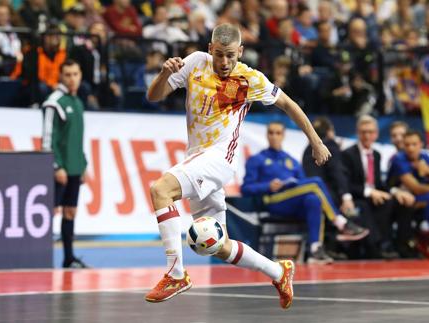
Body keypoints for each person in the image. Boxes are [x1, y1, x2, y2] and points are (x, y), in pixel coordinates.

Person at [144, 23, 332, 307]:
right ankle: (278, 271)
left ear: (240, 52)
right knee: (218, 247)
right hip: (198, 157)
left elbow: (289, 104)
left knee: (161, 190)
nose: (224, 62)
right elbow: (153, 96)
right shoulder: (195, 63)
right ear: (210, 49)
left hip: (219, 159)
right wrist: (165, 73)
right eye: (219, 54)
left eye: (231, 55)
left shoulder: (250, 78)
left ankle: (176, 273)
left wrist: (316, 141)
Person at [242, 121, 369, 264]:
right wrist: (268, 186)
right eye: (271, 133)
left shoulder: (291, 160)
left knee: (313, 199)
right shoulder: (256, 159)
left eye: (278, 133)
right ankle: (341, 222)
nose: (274, 136)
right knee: (315, 183)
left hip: (292, 202)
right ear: (267, 135)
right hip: (272, 200)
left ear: (283, 135)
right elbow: (246, 189)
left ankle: (315, 250)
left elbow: (303, 183)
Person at [341, 115, 414, 259]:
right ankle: (376, 247)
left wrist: (395, 191)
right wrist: (369, 192)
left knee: (396, 203)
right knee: (366, 206)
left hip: (375, 196)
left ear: (376, 134)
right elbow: (346, 184)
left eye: (370, 132)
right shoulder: (348, 154)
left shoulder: (377, 154)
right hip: (357, 197)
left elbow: (380, 184)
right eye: (363, 132)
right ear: (358, 133)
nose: (367, 135)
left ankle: (401, 245)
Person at [41, 59, 88, 268]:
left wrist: (83, 164)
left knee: (70, 212)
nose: (72, 79)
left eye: (75, 74)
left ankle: (68, 258)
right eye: (67, 74)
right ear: (60, 76)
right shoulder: (54, 102)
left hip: (75, 166)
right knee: (50, 211)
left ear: (81, 76)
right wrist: (56, 166)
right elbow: (48, 138)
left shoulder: (77, 102)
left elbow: (76, 138)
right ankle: (39, 256)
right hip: (60, 167)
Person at [389, 130, 429, 257]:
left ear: (421, 144)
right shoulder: (399, 159)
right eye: (407, 145)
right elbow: (415, 187)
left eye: (414, 144)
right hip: (399, 198)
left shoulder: (425, 158)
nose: (411, 148)